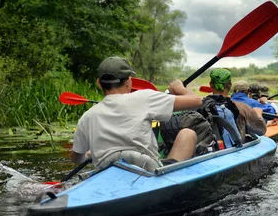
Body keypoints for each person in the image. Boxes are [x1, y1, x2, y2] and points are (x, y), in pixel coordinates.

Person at [70, 56, 202, 171]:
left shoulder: (87, 116)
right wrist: (179, 88)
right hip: (147, 168)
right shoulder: (144, 98)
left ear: (99, 83)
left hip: (106, 168)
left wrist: (89, 154)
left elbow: (76, 158)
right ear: (128, 82)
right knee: (188, 134)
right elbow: (197, 101)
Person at [206, 68, 266, 142]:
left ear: (210, 84)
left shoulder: (200, 106)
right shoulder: (243, 107)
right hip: (234, 150)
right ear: (230, 85)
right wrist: (259, 115)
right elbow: (261, 131)